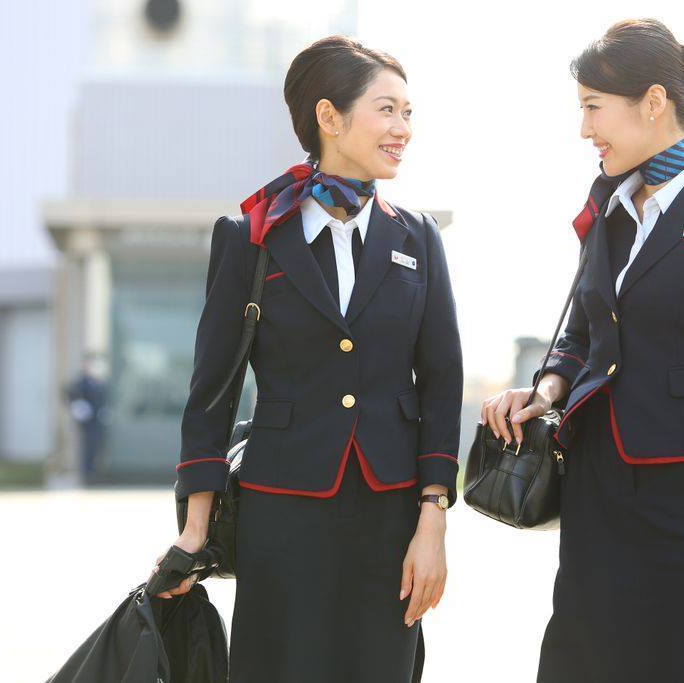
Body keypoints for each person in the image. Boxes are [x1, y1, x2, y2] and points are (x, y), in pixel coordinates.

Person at [481, 19, 684, 682]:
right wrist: (544, 390)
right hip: (598, 489)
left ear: (654, 102)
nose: (584, 129)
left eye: (592, 108)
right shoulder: (607, 208)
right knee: (586, 660)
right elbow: (582, 334)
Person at [151, 35, 463, 683]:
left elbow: (441, 382)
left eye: (409, 112)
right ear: (328, 117)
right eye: (387, 109)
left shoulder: (419, 237)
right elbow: (212, 390)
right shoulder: (251, 238)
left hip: (390, 515)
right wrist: (194, 529)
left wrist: (432, 522)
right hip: (282, 512)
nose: (403, 128)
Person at [65, 353, 109, 484]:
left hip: (98, 421)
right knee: (88, 448)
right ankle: (87, 474)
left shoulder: (100, 383)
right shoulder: (81, 383)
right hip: (88, 422)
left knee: (97, 448)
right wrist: (79, 408)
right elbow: (70, 395)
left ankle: (94, 473)